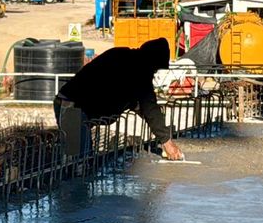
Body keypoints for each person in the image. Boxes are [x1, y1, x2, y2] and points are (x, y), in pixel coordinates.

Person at [55, 37, 183, 161]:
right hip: (72, 107)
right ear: (151, 61)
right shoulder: (138, 69)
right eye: (155, 68)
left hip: (74, 105)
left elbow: (126, 95)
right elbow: (150, 107)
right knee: (77, 163)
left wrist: (145, 113)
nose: (154, 72)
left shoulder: (124, 58)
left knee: (84, 161)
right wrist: (167, 142)